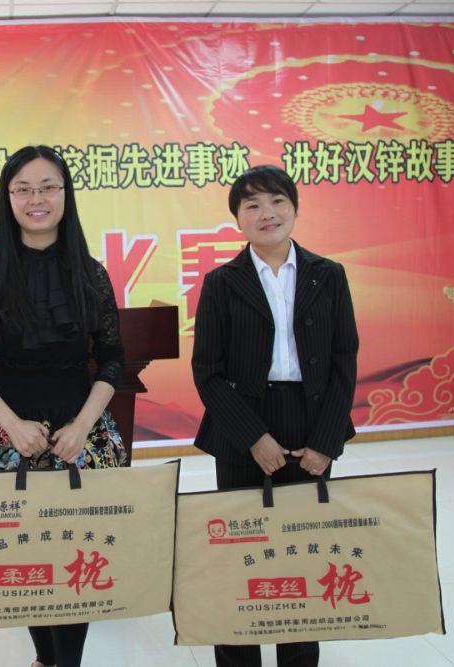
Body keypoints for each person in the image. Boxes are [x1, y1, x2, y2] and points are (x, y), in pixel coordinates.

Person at [0, 145, 127, 667]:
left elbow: (113, 359)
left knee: (78, 554)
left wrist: (83, 426)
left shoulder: (91, 274)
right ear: (8, 199)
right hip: (7, 435)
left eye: (49, 187)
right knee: (27, 559)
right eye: (23, 189)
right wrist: (12, 426)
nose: (37, 199)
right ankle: (44, 658)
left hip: (80, 433)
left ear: (65, 195)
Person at [191, 165, 359, 667]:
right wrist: (253, 438)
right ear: (237, 220)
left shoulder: (329, 275)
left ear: (295, 208)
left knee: (304, 558)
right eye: (253, 205)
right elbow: (207, 372)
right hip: (242, 428)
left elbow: (344, 363)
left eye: (277, 201)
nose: (267, 213)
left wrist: (326, 442)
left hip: (311, 423)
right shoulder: (221, 283)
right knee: (242, 559)